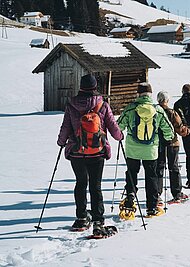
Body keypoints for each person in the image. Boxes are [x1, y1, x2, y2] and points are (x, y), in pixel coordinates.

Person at [57, 74, 123, 235]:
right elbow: (113, 127)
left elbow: (65, 127)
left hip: (77, 152)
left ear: (81, 86)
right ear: (94, 87)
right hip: (97, 152)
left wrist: (61, 142)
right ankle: (98, 220)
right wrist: (120, 136)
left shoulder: (71, 105)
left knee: (80, 183)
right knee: (96, 186)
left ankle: (81, 218)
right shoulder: (102, 105)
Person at [118, 83, 174, 217]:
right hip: (151, 151)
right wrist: (167, 138)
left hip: (132, 149)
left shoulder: (131, 109)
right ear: (150, 95)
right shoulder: (158, 110)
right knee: (151, 177)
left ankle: (130, 196)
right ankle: (151, 207)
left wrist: (120, 135)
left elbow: (119, 126)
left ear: (138, 94)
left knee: (132, 173)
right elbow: (169, 130)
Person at [156, 91, 190, 203]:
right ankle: (177, 192)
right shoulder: (171, 113)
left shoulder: (154, 112)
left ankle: (156, 194)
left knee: (159, 168)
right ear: (167, 100)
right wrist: (188, 130)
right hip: (172, 143)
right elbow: (179, 128)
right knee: (174, 168)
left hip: (158, 144)